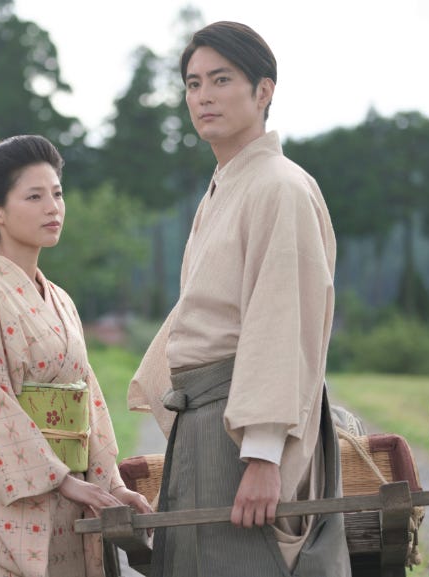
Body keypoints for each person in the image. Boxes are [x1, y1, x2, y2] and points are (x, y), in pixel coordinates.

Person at [128, 21, 351, 576]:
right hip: (207, 425)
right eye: (192, 83)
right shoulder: (226, 184)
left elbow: (281, 323)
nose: (202, 96)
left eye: (221, 79)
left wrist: (264, 456)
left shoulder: (279, 185)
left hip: (242, 432)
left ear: (263, 91)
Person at [0, 134, 151, 577]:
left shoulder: (61, 300)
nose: (53, 207)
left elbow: (89, 401)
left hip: (69, 503)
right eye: (34, 196)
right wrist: (61, 478)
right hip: (6, 504)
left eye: (57, 193)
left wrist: (110, 485)